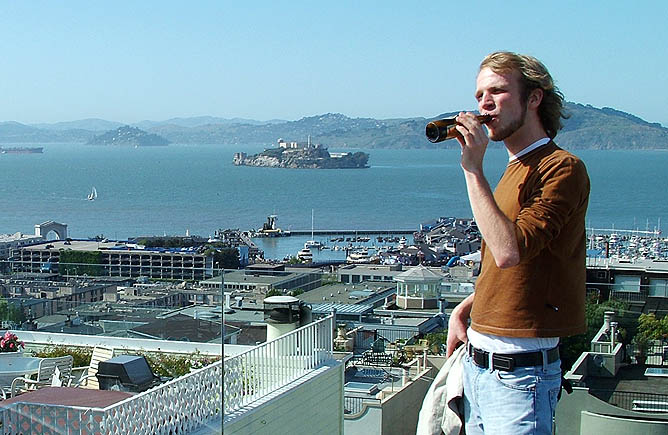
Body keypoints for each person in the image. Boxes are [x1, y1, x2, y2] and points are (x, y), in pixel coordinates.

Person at [445, 51, 590, 434]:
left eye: (498, 90)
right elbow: (519, 263)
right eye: (479, 95)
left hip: (520, 378)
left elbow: (510, 251)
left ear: (534, 98)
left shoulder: (561, 168)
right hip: (479, 368)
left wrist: (473, 169)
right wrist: (469, 306)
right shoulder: (515, 168)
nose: (484, 103)